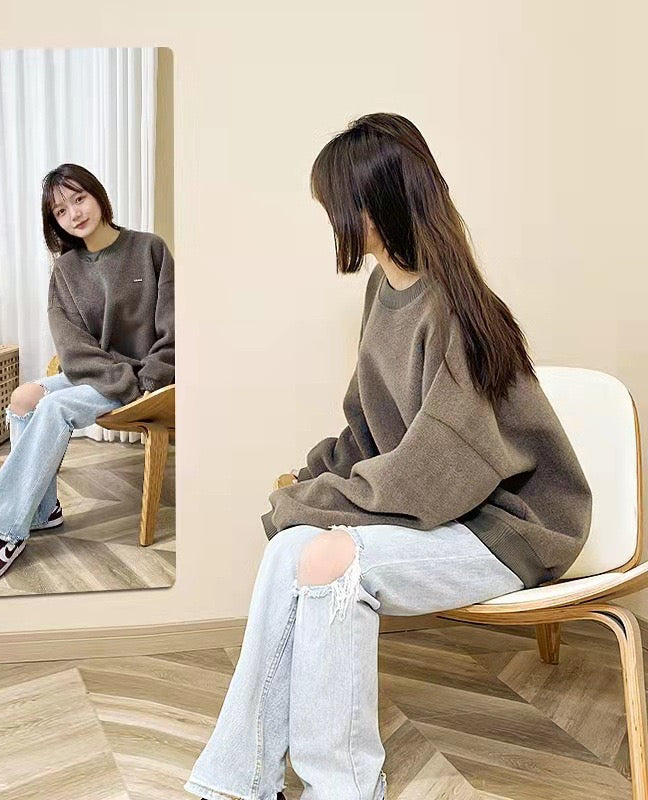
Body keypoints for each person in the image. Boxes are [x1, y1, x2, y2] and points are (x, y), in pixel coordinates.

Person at [184, 114, 592, 800]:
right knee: (292, 551)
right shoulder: (386, 290)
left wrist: (311, 502)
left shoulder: (457, 310)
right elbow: (371, 426)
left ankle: (344, 790)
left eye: (336, 203)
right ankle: (240, 783)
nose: (329, 216)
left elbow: (435, 471)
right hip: (455, 512)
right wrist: (315, 477)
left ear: (375, 206)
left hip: (509, 529)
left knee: (326, 559)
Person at [0, 163, 174, 586]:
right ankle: (44, 512)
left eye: (78, 198)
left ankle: (1, 531)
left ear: (97, 195)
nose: (74, 213)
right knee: (24, 398)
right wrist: (117, 377)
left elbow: (173, 328)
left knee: (54, 407)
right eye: (61, 211)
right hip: (104, 376)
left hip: (144, 379)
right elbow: (71, 346)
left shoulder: (149, 249)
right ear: (56, 223)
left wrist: (148, 380)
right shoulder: (65, 270)